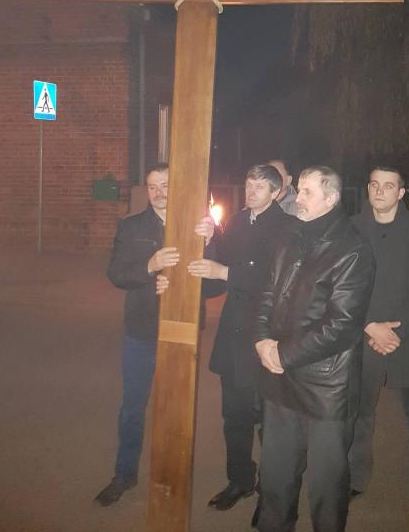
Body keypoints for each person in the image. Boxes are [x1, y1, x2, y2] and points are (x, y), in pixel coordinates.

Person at [254, 165, 375, 532]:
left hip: (326, 385)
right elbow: (268, 292)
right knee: (275, 476)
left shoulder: (352, 249)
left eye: (307, 192)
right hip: (280, 377)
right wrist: (261, 338)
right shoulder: (290, 236)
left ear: (331, 198)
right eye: (300, 190)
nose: (298, 198)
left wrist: (282, 353)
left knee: (326, 486)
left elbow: (342, 325)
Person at [94, 163, 217, 506]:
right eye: (152, 186)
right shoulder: (132, 226)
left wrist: (210, 242)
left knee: (179, 407)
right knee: (133, 406)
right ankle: (124, 473)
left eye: (165, 184)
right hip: (142, 331)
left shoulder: (197, 225)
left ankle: (173, 472)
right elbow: (116, 273)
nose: (159, 192)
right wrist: (150, 267)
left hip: (183, 331)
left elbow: (214, 285)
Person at [188, 164, 294, 512]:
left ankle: (271, 490)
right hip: (234, 335)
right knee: (234, 416)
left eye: (261, 186)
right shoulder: (234, 221)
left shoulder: (286, 227)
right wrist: (209, 243)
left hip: (265, 335)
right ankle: (240, 480)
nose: (251, 191)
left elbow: (277, 281)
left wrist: (225, 271)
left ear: (276, 192)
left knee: (268, 420)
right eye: (249, 183)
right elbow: (217, 278)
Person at [348, 166, 409, 532]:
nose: (380, 191)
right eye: (374, 184)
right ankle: (355, 480)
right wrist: (368, 325)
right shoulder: (351, 229)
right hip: (363, 338)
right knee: (358, 418)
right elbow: (341, 285)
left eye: (388, 186)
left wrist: (395, 331)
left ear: (401, 193)